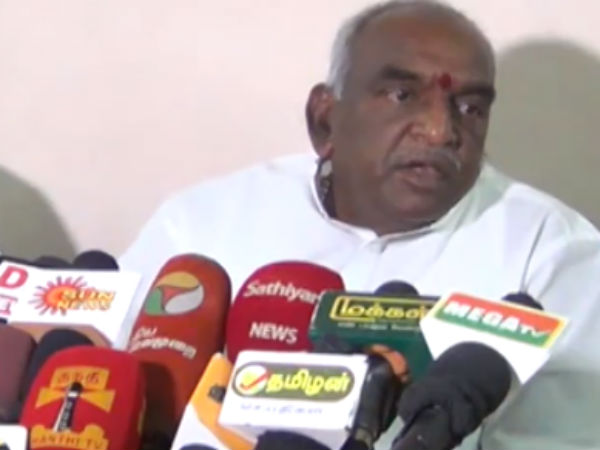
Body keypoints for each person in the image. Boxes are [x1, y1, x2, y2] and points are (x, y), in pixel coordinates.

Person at [119, 1, 600, 449]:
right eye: (402, 95)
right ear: (325, 120)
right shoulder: (202, 227)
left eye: (470, 107)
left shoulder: (552, 253)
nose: (441, 131)